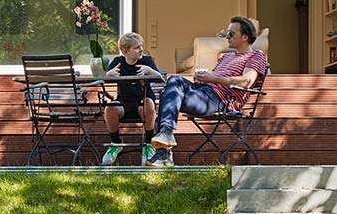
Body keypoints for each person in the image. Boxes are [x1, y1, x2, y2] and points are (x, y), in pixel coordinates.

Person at [146, 16, 268, 167]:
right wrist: (203, 78)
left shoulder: (256, 55)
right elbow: (214, 79)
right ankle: (165, 137)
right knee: (174, 81)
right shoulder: (226, 56)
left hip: (221, 100)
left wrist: (213, 79)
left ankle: (164, 152)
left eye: (231, 34)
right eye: (226, 33)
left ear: (245, 37)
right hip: (205, 92)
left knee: (168, 96)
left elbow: (247, 81)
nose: (227, 37)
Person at [100, 32, 160, 166]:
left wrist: (149, 70)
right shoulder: (118, 62)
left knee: (149, 104)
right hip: (124, 102)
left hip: (143, 101)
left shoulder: (146, 61)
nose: (141, 50)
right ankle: (116, 143)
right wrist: (108, 74)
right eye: (137, 47)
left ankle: (148, 144)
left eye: (141, 46)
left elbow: (161, 78)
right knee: (109, 108)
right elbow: (104, 79)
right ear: (126, 51)